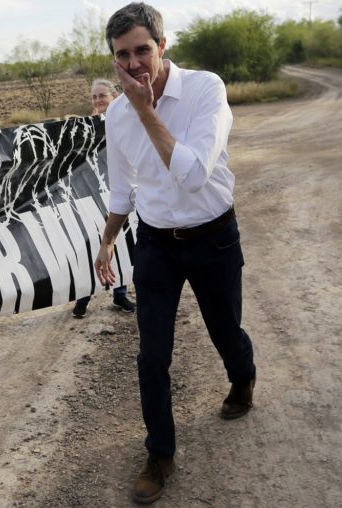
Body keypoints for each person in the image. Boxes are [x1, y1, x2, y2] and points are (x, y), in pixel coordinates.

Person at [92, 3, 257, 504]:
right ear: (114, 60)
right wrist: (108, 238)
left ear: (162, 46)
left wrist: (147, 110)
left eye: (143, 49)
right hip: (157, 244)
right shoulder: (117, 116)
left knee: (224, 328)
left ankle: (243, 378)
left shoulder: (206, 89)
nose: (135, 64)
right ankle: (160, 454)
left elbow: (192, 174)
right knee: (151, 355)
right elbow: (122, 188)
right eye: (123, 55)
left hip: (213, 236)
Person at [73, 78, 136, 317]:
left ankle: (120, 295)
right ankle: (82, 297)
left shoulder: (128, 121)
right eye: (94, 97)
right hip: (90, 195)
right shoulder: (84, 128)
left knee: (120, 244)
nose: (98, 101)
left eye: (103, 96)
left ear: (115, 97)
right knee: (90, 244)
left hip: (120, 193)